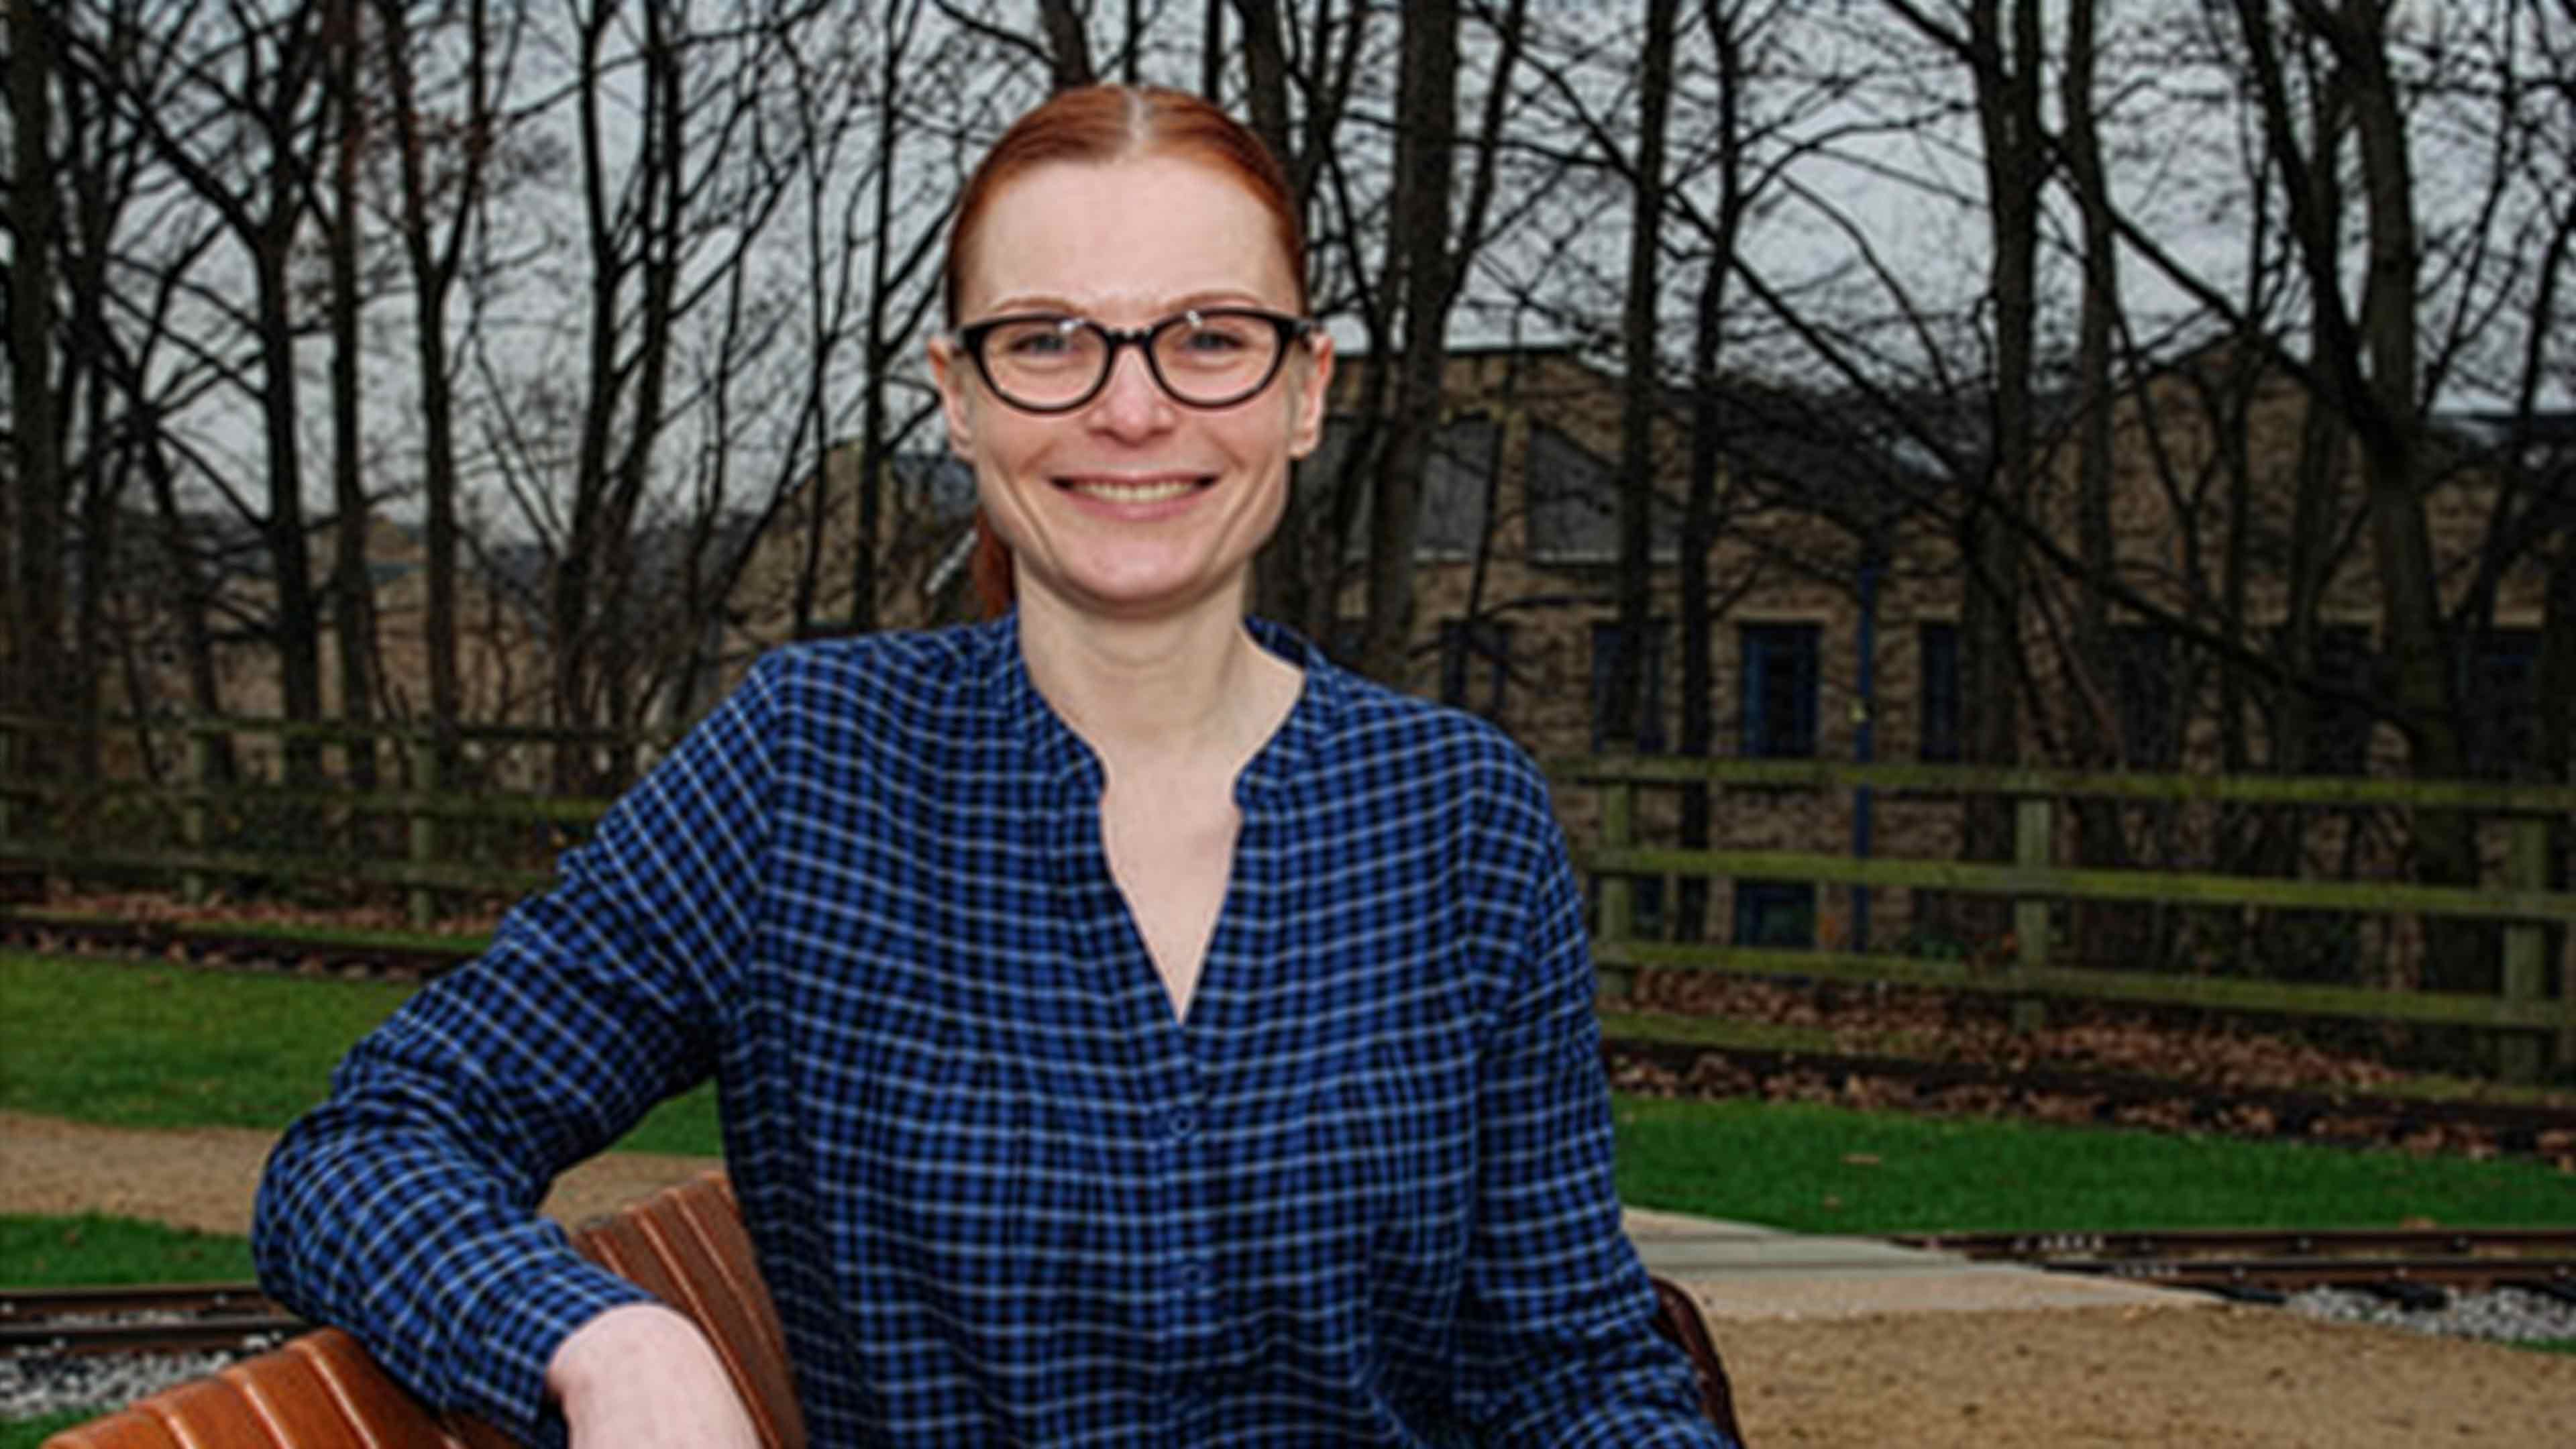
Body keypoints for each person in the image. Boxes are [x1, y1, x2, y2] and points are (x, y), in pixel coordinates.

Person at [253, 83, 1731, 1448]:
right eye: (1049, 341)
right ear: (959, 396)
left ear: (1305, 388)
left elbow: (1567, 1361)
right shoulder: (808, 771)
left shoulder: (1455, 814)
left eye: (1209, 335)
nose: (1132, 407)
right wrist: (603, 1338)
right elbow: (369, 1149)